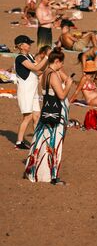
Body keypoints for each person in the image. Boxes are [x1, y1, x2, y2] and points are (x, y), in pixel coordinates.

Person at [24, 47, 72, 185]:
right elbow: (62, 95)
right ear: (57, 61)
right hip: (56, 112)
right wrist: (68, 85)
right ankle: (51, 176)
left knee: (42, 141)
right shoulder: (53, 75)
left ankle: (36, 171)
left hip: (47, 110)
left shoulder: (45, 72)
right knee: (54, 143)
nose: (62, 65)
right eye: (61, 63)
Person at [14, 35, 49, 150]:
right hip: (25, 91)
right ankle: (19, 142)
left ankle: (37, 140)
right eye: (27, 43)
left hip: (33, 91)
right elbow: (36, 68)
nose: (29, 45)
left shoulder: (29, 56)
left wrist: (48, 62)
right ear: (21, 46)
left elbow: (38, 71)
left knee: (37, 116)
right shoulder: (20, 58)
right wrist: (47, 57)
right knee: (27, 117)